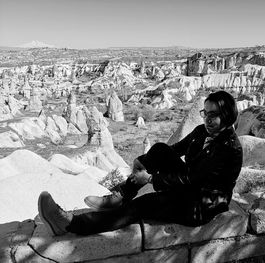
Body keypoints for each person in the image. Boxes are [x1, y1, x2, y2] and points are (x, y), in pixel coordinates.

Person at [38, 90, 243, 236]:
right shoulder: (202, 132)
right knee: (160, 148)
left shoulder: (229, 148)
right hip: (190, 189)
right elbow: (173, 150)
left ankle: (71, 224)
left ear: (227, 116)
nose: (207, 118)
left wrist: (151, 178)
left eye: (213, 114)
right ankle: (121, 195)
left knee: (143, 205)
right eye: (205, 113)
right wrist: (144, 162)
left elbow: (191, 179)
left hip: (202, 204)